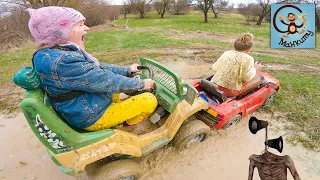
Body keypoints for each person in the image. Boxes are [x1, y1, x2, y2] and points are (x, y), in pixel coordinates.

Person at [26, 6, 157, 131]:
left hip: (82, 107)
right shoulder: (63, 62)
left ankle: (118, 114)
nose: (87, 28)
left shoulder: (54, 53)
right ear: (60, 31)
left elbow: (96, 69)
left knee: (114, 88)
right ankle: (125, 128)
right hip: (89, 116)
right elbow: (104, 79)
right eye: (80, 24)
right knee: (149, 101)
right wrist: (141, 84)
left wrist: (127, 70)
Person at [210, 33, 264, 97]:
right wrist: (255, 69)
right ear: (249, 50)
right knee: (259, 78)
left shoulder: (226, 53)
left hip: (213, 85)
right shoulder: (249, 59)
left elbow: (214, 68)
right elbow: (245, 79)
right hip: (230, 91)